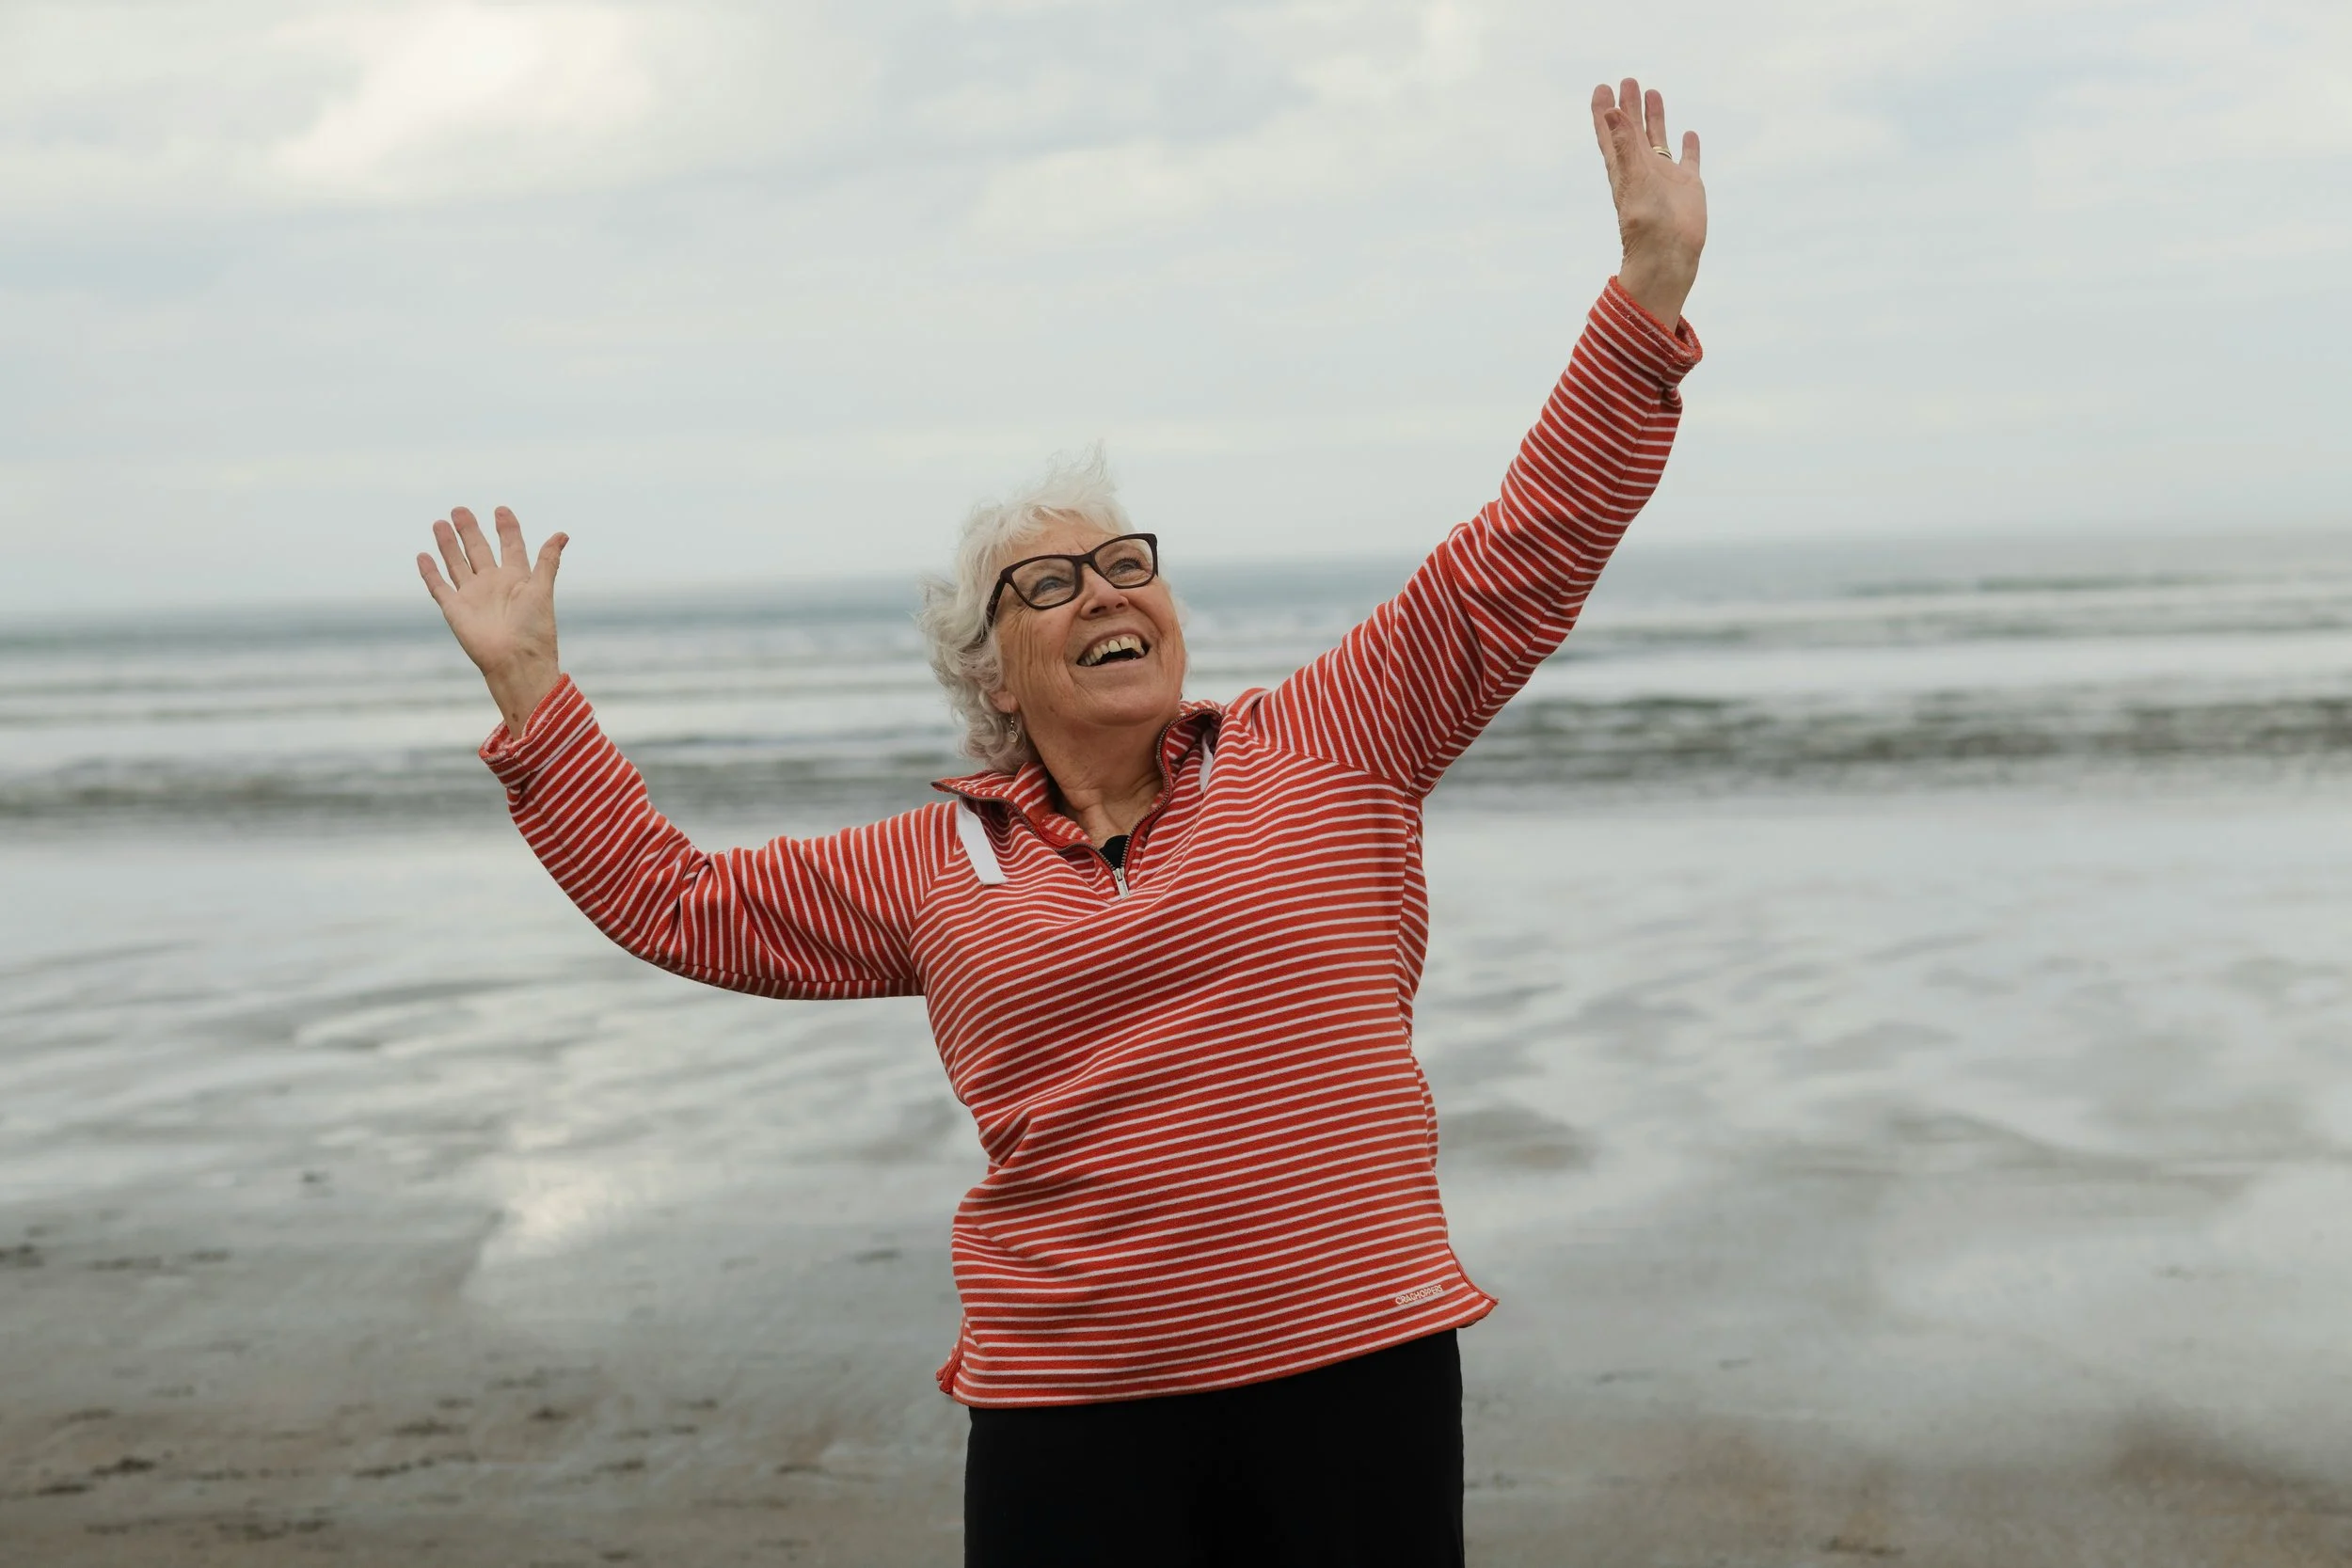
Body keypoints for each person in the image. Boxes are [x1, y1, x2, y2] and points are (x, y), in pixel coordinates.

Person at [418, 76, 1705, 1568]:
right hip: (1072, 1407)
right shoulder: (929, 863)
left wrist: (1645, 297)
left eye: (1126, 561)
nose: (1105, 589)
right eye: (1052, 583)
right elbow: (677, 899)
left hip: (1355, 1364)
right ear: (993, 673)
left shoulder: (1335, 740)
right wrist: (532, 694)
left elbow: (1519, 557)